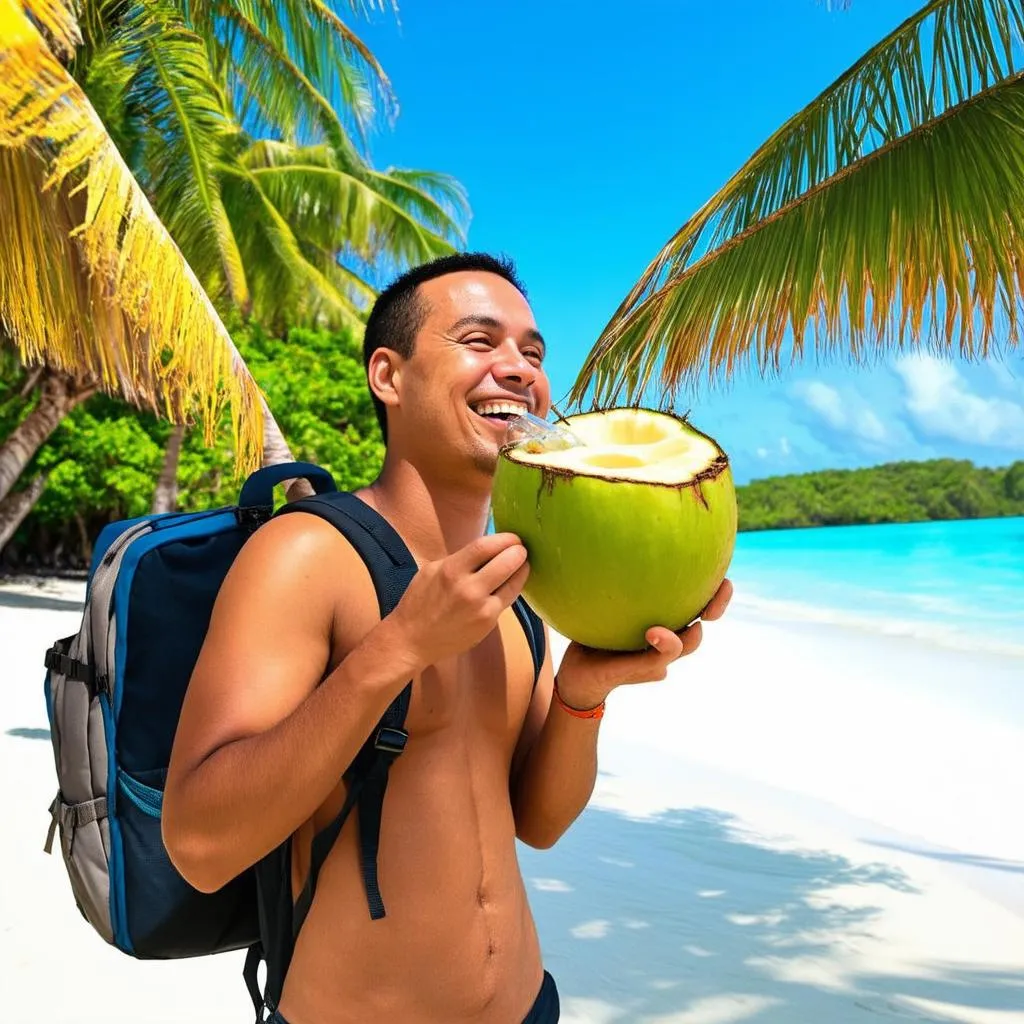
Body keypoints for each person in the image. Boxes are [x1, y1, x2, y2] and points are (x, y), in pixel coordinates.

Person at [162, 253, 733, 1024]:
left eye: (533, 353)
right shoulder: (308, 555)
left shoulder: (520, 589)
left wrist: (581, 693)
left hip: (531, 1005)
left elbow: (539, 823)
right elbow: (199, 846)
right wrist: (398, 649)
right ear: (388, 376)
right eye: (479, 341)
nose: (518, 370)